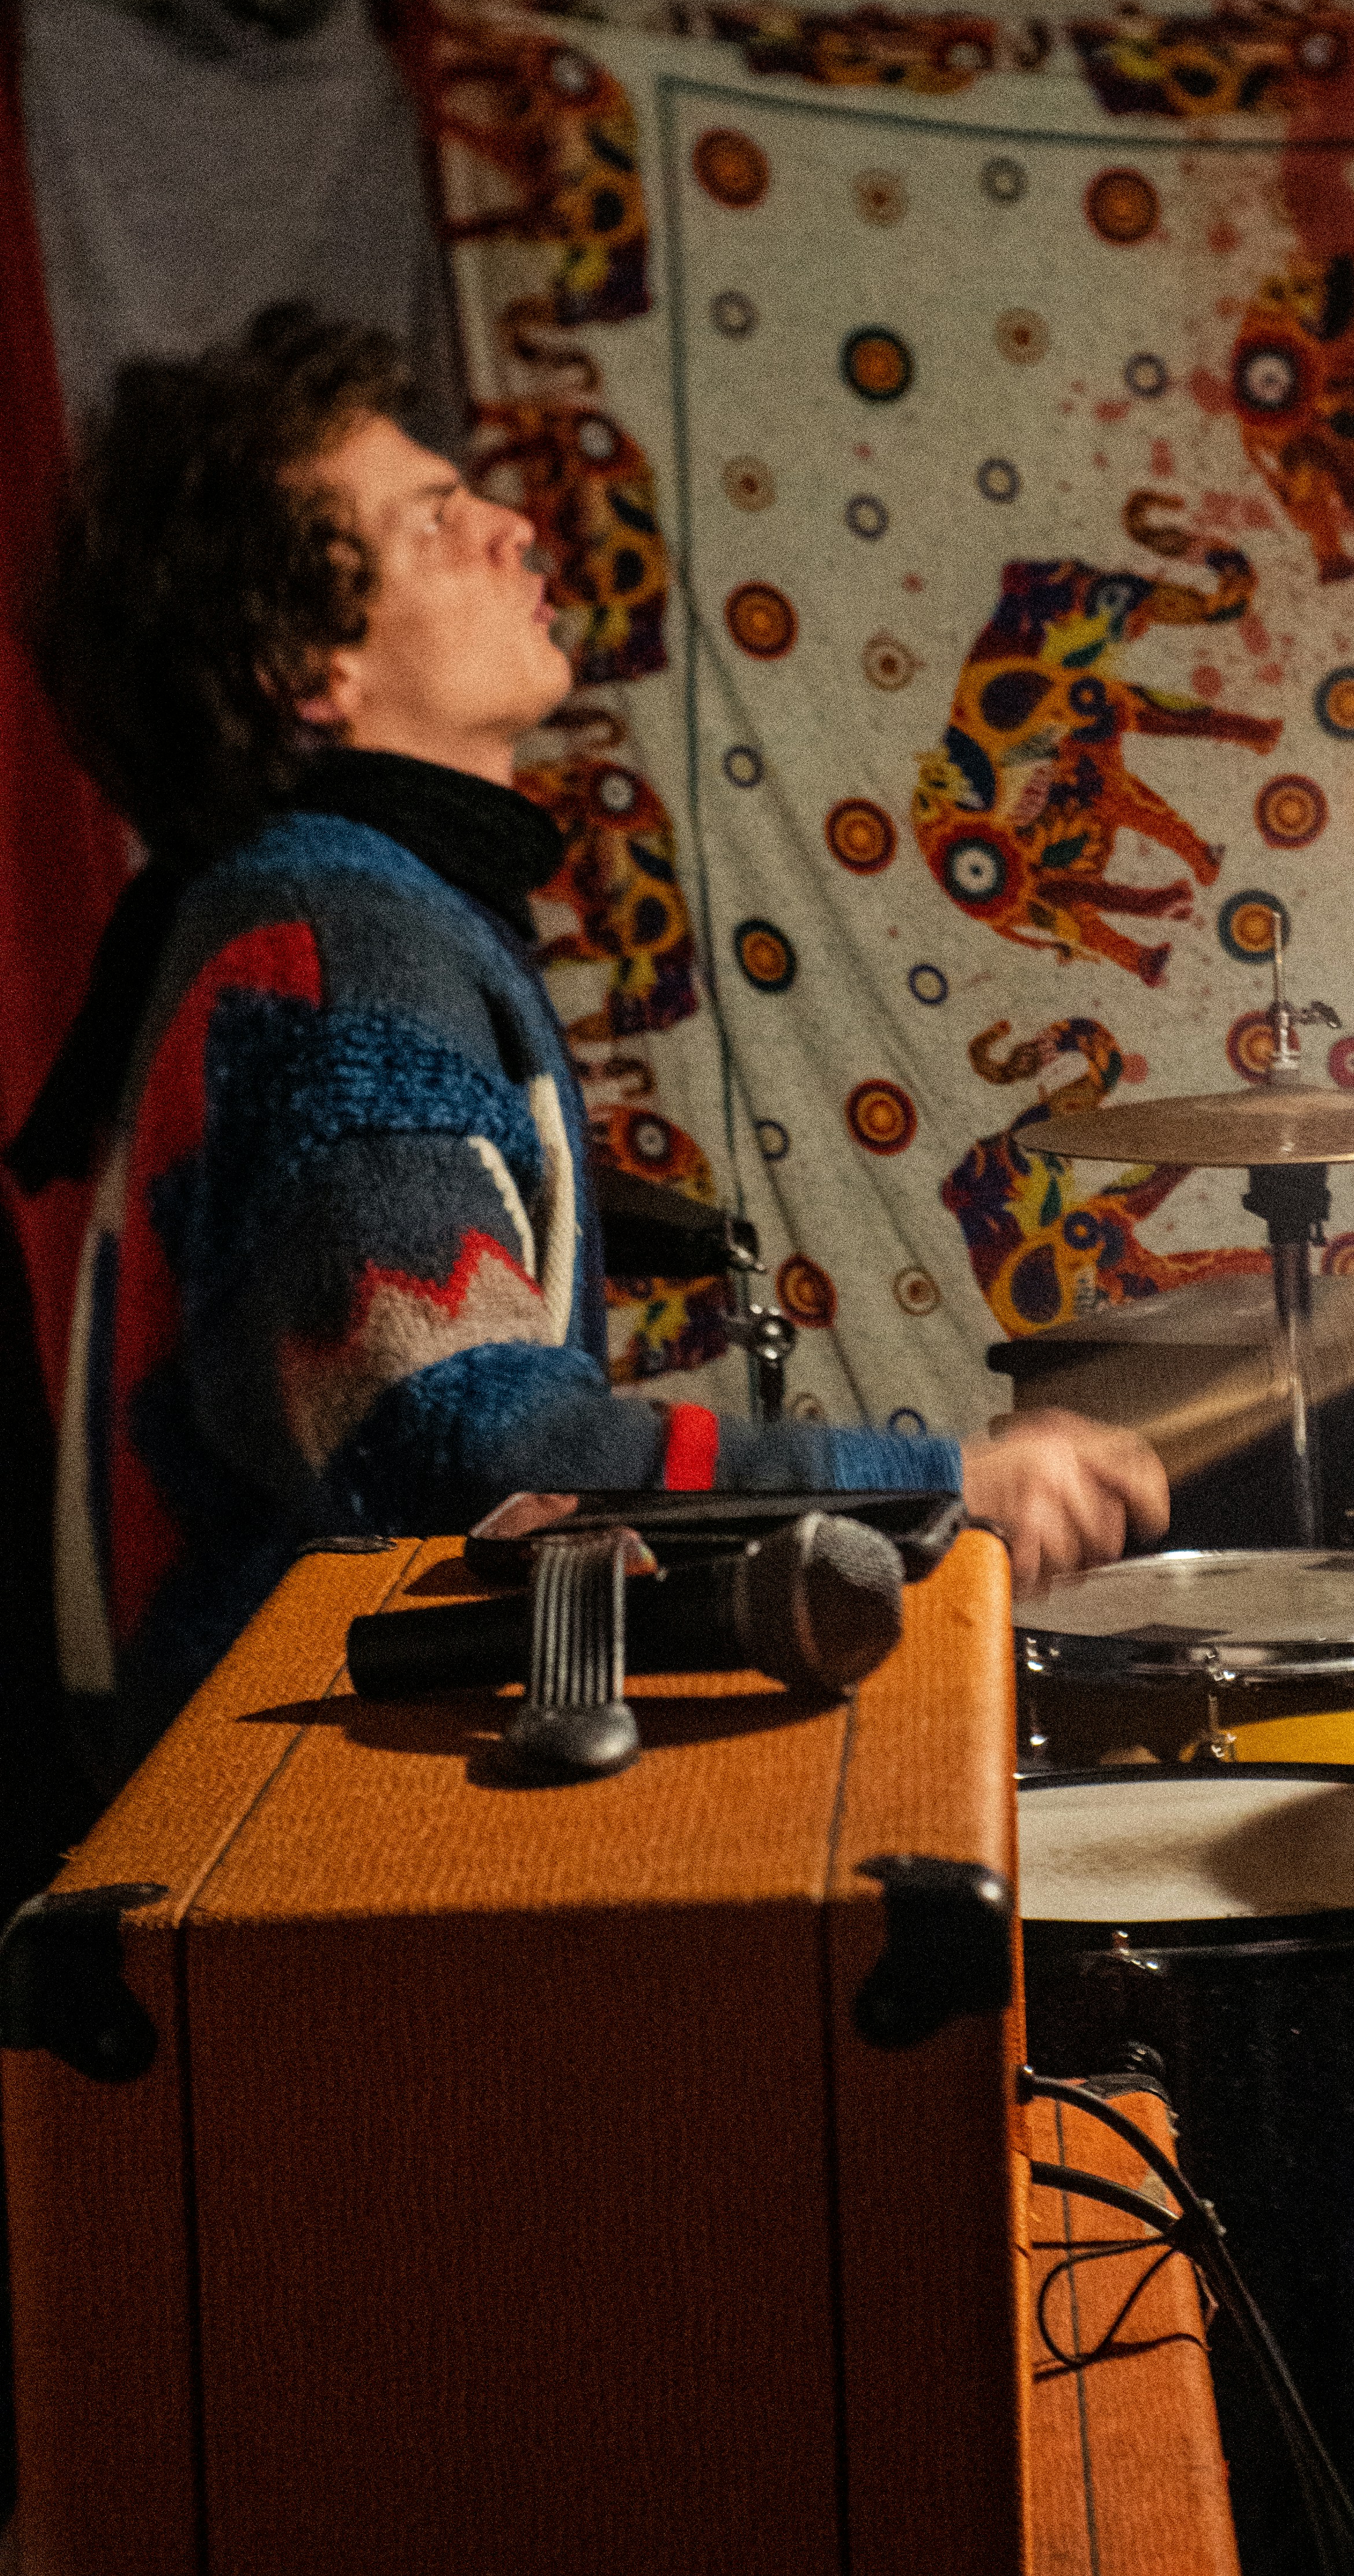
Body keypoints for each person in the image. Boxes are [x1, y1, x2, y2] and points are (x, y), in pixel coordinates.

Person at [16, 304, 1164, 1778]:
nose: (512, 530)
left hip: (282, 1814)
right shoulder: (336, 942)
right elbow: (466, 1450)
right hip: (282, 1858)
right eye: (436, 521)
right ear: (306, 669)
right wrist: (937, 1481)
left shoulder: (339, 904)